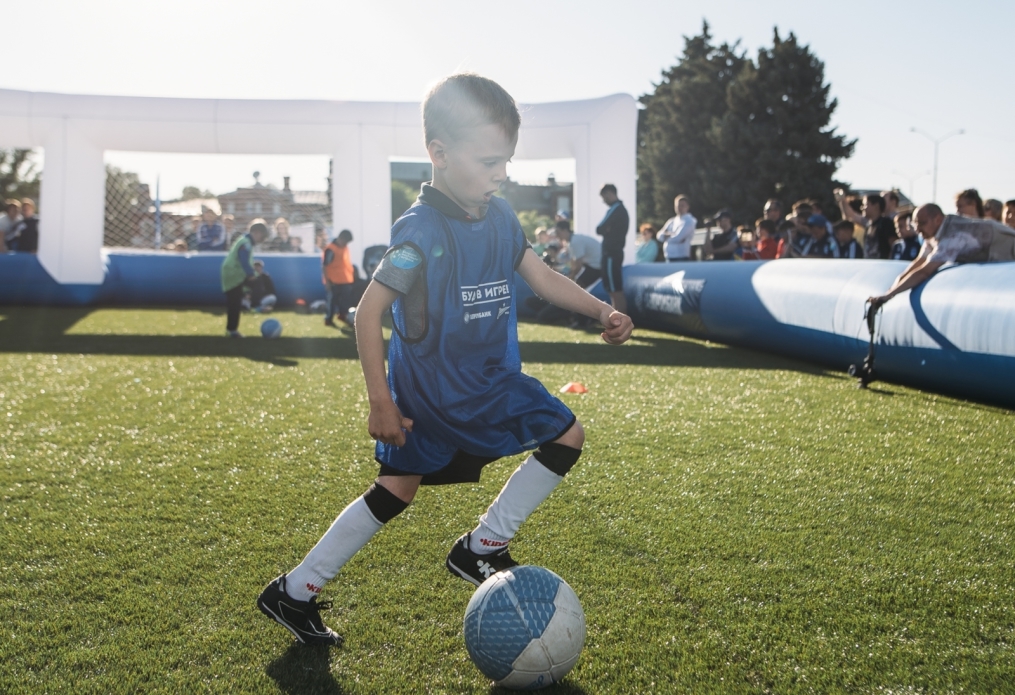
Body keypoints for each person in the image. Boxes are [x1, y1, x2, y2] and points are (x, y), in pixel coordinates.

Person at [255, 73, 634, 646]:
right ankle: (481, 547)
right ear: (439, 153)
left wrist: (602, 310)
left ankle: (294, 591)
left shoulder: (500, 217)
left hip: (470, 381)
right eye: (489, 162)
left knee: (396, 489)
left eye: (506, 161)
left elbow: (542, 277)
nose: (501, 174)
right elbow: (367, 313)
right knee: (567, 434)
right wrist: (380, 402)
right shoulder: (420, 232)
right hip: (448, 388)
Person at [869, 204, 1015, 310]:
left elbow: (924, 272)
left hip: (1007, 246)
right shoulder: (932, 232)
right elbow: (919, 262)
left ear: (938, 220)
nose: (918, 229)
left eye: (922, 223)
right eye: (915, 224)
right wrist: (889, 290)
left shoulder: (952, 236)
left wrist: (889, 295)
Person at [221, 219, 269, 337]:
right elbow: (243, 260)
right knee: (235, 302)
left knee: (235, 302)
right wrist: (251, 274)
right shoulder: (246, 243)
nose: (261, 240)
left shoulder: (245, 241)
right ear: (257, 233)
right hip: (233, 275)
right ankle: (254, 306)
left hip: (234, 274)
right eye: (262, 237)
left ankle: (232, 329)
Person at [595, 183, 629, 314]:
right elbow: (602, 229)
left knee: (615, 290)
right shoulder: (617, 209)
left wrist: (606, 230)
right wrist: (606, 230)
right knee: (612, 289)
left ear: (609, 193)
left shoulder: (616, 208)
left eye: (604, 197)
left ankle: (620, 320)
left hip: (612, 254)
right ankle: (616, 318)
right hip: (611, 253)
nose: (603, 201)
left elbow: (599, 228)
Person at [835, 190, 896, 259]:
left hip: (884, 264)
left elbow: (894, 245)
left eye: (865, 205)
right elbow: (850, 216)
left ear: (876, 206)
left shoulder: (886, 223)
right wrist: (842, 200)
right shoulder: (868, 224)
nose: (862, 208)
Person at [322, 229, 355, 327]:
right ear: (340, 238)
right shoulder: (330, 249)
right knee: (332, 301)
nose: (346, 244)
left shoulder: (345, 247)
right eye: (345, 242)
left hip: (345, 279)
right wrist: (327, 282)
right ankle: (328, 319)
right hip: (333, 281)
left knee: (346, 300)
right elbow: (325, 266)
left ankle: (342, 315)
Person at [657, 195, 696, 262]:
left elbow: (678, 238)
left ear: (688, 207)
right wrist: (671, 235)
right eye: (678, 206)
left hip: (681, 257)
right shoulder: (671, 221)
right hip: (668, 257)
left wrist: (666, 237)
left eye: (682, 205)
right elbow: (659, 235)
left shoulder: (690, 221)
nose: (680, 208)